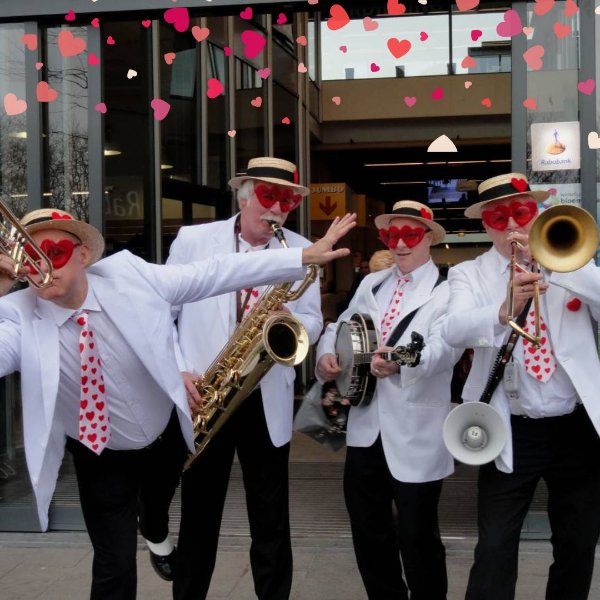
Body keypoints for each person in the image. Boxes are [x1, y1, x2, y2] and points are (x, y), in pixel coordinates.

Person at [0, 205, 355, 600]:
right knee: (113, 567)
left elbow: (212, 273)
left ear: (83, 254)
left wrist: (303, 256)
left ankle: (153, 526)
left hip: (166, 434)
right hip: (100, 452)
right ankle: (151, 532)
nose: (42, 267)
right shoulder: (16, 320)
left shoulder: (130, 277)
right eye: (29, 257)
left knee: (158, 511)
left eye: (54, 252)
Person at [168, 157, 325, 600]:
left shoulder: (301, 248)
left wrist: (294, 319)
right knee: (199, 515)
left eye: (287, 200)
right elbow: (164, 313)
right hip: (206, 392)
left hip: (264, 391)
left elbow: (313, 321)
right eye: (268, 197)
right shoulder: (193, 240)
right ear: (244, 195)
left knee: (271, 517)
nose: (277, 208)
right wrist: (178, 369)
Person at [442, 172, 600, 600]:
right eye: (498, 218)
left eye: (521, 212)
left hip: (576, 426)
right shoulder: (468, 274)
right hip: (511, 427)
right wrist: (502, 308)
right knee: (494, 546)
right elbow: (452, 331)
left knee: (578, 541)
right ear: (485, 226)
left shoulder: (573, 260)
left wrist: (560, 266)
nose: (511, 225)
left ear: (537, 213)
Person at [316, 200, 461, 600]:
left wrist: (400, 362)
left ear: (428, 238)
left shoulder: (447, 289)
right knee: (368, 533)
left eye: (409, 235)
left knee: (418, 538)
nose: (399, 244)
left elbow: (446, 348)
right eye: (391, 235)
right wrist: (326, 355)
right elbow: (339, 327)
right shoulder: (370, 283)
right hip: (365, 428)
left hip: (416, 432)